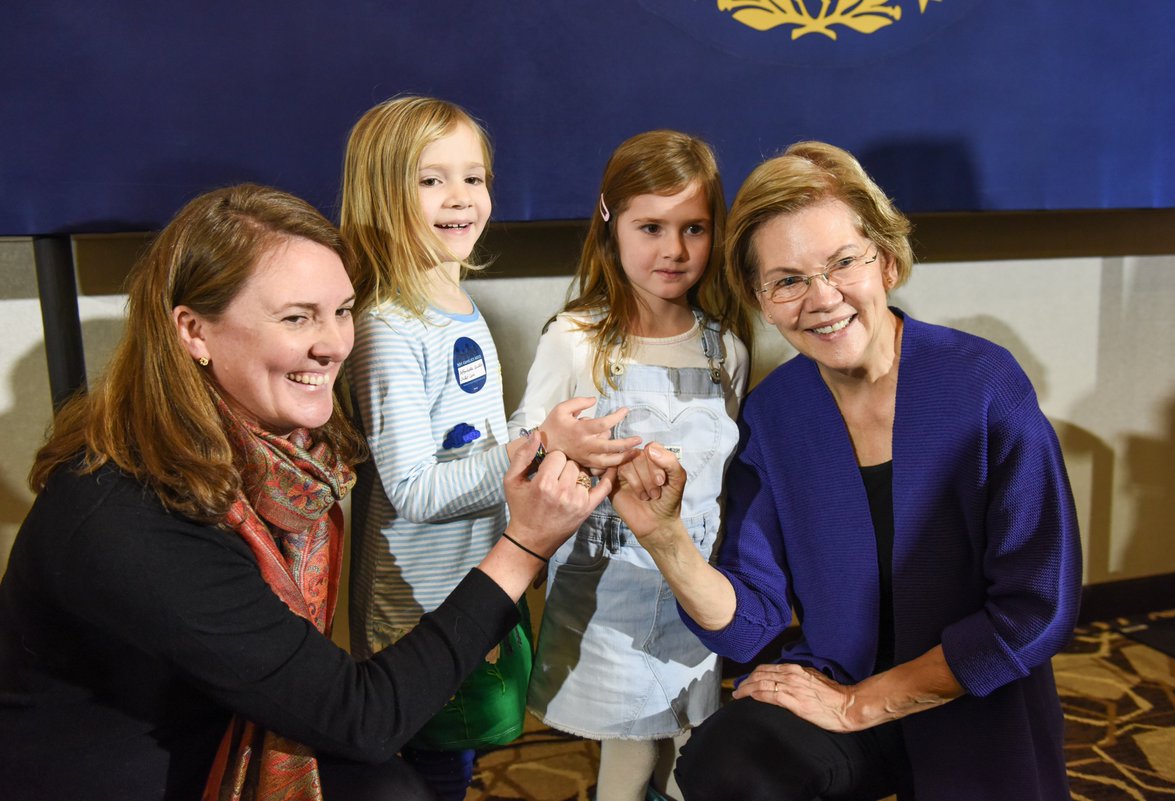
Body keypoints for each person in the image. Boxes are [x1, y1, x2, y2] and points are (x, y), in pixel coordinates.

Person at [0, 184, 612, 801]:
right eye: (297, 317)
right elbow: (363, 717)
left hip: (229, 733)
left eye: (343, 310)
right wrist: (524, 545)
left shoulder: (280, 457)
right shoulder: (131, 514)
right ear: (193, 332)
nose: (335, 344)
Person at [612, 142, 1082, 801]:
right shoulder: (775, 413)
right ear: (760, 297)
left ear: (886, 261)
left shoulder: (984, 384)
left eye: (842, 263)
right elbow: (753, 619)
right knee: (728, 761)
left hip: (973, 691)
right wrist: (665, 537)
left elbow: (1037, 606)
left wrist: (864, 704)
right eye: (788, 280)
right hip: (835, 682)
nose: (822, 298)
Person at [338, 96, 637, 801]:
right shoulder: (388, 327)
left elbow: (466, 444)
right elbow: (411, 487)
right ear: (381, 190)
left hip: (479, 582)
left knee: (462, 758)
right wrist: (536, 443)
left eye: (473, 178)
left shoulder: (456, 302)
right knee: (435, 766)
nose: (461, 198)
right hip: (421, 606)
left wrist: (546, 451)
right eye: (431, 179)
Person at [509, 130, 753, 801]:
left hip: (690, 585)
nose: (673, 251)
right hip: (606, 590)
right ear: (611, 223)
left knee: (687, 740)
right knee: (631, 743)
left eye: (693, 228)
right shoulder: (576, 340)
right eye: (651, 227)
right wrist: (556, 443)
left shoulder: (723, 348)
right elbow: (525, 444)